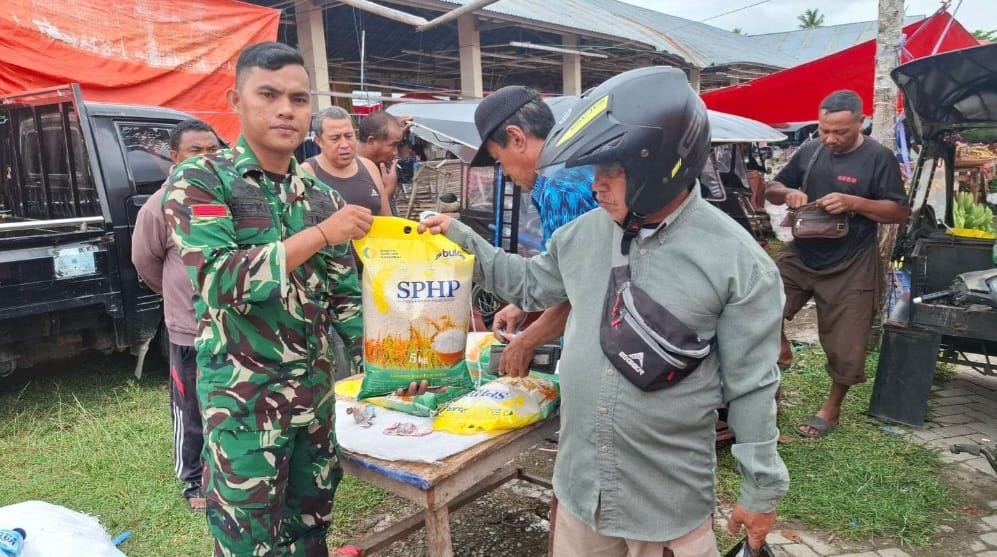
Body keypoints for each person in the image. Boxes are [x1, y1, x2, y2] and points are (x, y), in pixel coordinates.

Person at [420, 66, 788, 557]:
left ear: (661, 164)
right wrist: (461, 237)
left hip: (665, 505)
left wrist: (760, 490)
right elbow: (529, 286)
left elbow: (753, 386)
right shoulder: (583, 235)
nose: (595, 185)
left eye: (611, 170)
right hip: (580, 491)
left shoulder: (738, 264)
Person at [162, 42, 374, 556]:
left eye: (299, 99)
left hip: (314, 397)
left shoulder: (320, 195)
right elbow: (222, 280)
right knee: (248, 538)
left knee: (312, 525)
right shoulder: (202, 179)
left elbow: (345, 296)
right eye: (269, 94)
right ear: (236, 100)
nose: (286, 109)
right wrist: (321, 235)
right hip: (244, 402)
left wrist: (384, 366)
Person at [764, 89, 909, 439]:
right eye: (824, 129)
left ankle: (832, 406)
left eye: (840, 132)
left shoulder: (878, 158)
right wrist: (788, 194)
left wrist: (853, 202)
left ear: (860, 123)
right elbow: (771, 187)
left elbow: (899, 211)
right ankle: (778, 360)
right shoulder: (812, 149)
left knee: (847, 343)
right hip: (803, 251)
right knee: (758, 300)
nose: (831, 138)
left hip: (852, 259)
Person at [467, 86, 598, 375]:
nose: (506, 173)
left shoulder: (560, 186)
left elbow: (583, 291)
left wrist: (527, 341)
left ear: (516, 137)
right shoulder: (574, 165)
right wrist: (521, 306)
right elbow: (562, 275)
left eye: (500, 161)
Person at [132, 118, 220, 512]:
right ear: (174, 158)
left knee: (227, 400)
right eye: (195, 151)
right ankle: (192, 481)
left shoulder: (225, 196)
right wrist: (176, 296)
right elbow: (146, 262)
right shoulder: (158, 206)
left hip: (229, 325)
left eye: (212, 150)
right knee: (191, 408)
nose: (205, 158)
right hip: (188, 328)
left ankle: (226, 470)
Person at [301, 107, 392, 216]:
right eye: (335, 138)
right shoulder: (306, 174)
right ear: (319, 141)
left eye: (349, 136)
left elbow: (387, 218)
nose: (344, 145)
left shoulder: (369, 167)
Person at [357, 110, 407, 214]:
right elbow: (363, 219)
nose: (395, 152)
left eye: (398, 145)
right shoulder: (353, 171)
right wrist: (387, 192)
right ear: (371, 141)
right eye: (393, 145)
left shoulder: (382, 165)